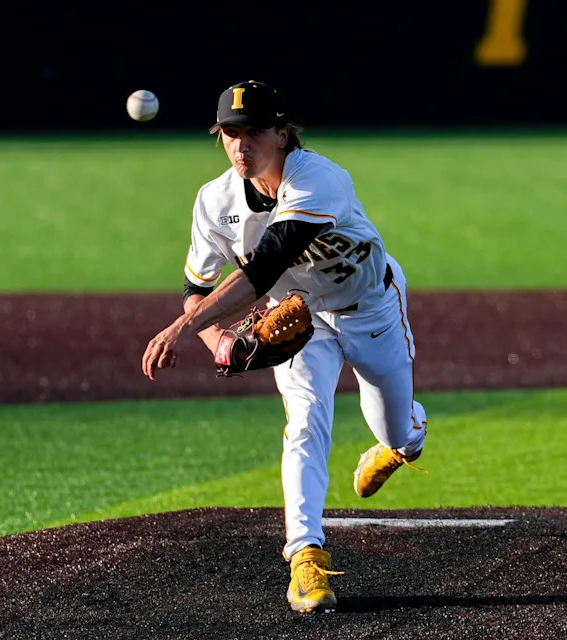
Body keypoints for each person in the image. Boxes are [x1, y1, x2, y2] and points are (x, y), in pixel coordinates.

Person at [141, 80, 428, 614]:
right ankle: (305, 558)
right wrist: (216, 338)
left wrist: (180, 330)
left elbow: (270, 258)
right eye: (230, 133)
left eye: (254, 133)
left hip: (371, 308)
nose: (241, 145)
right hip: (299, 319)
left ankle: (405, 438)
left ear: (282, 133)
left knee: (397, 432)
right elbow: (196, 291)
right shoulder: (214, 201)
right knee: (304, 419)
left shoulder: (319, 178)